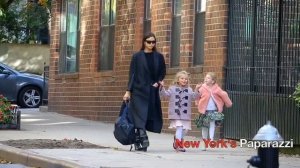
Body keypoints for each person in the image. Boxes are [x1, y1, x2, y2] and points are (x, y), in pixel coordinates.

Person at [123, 32, 166, 152]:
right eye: (149, 42)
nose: (151, 44)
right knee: (139, 114)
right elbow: (132, 74)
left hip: (152, 91)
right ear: (144, 42)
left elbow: (162, 72)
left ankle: (140, 138)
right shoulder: (137, 56)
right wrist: (128, 91)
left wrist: (158, 82)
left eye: (153, 42)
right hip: (138, 90)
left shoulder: (159, 57)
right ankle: (143, 137)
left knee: (149, 115)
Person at [160, 71, 201, 152]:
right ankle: (179, 145)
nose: (184, 80)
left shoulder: (189, 89)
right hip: (176, 113)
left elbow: (195, 96)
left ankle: (177, 139)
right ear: (178, 79)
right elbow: (165, 94)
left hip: (185, 114)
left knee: (185, 130)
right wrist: (162, 87)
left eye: (186, 79)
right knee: (179, 127)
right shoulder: (172, 88)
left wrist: (197, 89)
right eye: (182, 78)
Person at [196, 72, 232, 148]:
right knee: (204, 126)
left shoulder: (217, 88)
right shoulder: (202, 88)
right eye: (205, 77)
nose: (206, 79)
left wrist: (228, 103)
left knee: (212, 124)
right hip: (204, 110)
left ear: (213, 81)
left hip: (213, 110)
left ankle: (211, 139)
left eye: (208, 78)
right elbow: (197, 96)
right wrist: (198, 102)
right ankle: (205, 141)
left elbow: (223, 95)